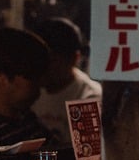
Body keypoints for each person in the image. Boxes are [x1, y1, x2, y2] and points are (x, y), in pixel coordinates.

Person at [30, 16, 101, 148]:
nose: (43, 66)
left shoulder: (89, 97)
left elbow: (86, 154)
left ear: (74, 58)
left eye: (52, 60)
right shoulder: (29, 89)